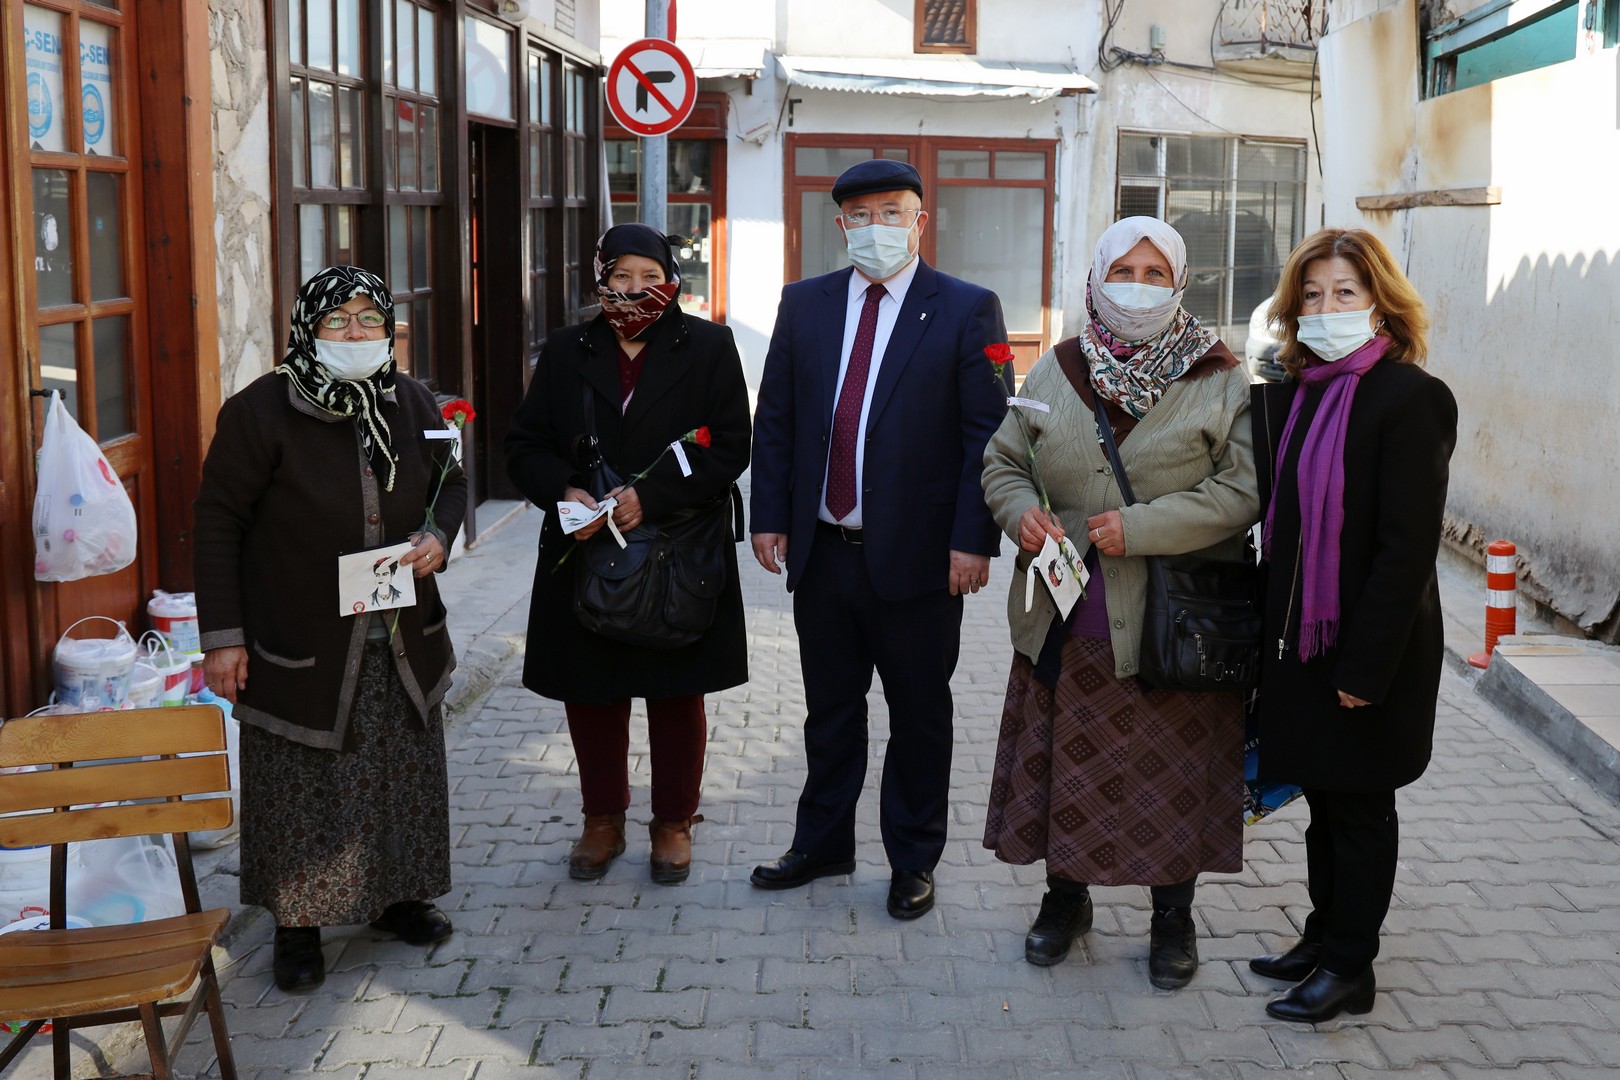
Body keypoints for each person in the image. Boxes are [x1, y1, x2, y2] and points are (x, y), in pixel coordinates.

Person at [981, 217, 1259, 987]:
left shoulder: (1218, 375)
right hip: (1067, 621)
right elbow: (1004, 461)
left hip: (1174, 626)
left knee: (1171, 771)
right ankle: (1065, 900)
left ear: (1179, 283)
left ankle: (1172, 916)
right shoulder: (1057, 369)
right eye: (1123, 270)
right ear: (1097, 276)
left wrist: (1139, 527)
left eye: (1153, 273)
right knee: (1064, 766)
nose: (1135, 287)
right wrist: (1020, 514)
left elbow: (1242, 492)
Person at [748, 159, 1009, 920]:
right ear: (840, 228)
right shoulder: (806, 305)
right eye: (859, 216)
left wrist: (974, 541)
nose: (875, 229)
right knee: (830, 712)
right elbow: (779, 423)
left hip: (922, 562)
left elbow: (986, 439)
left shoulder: (965, 308)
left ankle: (913, 860)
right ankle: (822, 843)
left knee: (919, 717)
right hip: (824, 551)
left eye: (891, 212)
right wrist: (769, 517)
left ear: (920, 220)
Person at [194, 265, 465, 994]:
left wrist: (440, 534)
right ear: (306, 328)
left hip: (401, 636)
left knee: (399, 772)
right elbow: (217, 523)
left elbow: (452, 479)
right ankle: (298, 928)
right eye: (336, 320)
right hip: (299, 642)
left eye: (368, 319)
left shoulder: (411, 400)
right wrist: (222, 636)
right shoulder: (261, 411)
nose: (354, 333)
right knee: (303, 784)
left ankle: (399, 899)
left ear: (388, 327)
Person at [1248, 227, 1457, 1022]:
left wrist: (1365, 671)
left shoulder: (1412, 398)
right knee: (1323, 801)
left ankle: (1350, 969)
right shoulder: (1300, 393)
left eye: (1345, 293)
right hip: (1303, 639)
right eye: (1311, 295)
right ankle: (1323, 934)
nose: (1326, 307)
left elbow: (1407, 551)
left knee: (1362, 807)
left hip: (1372, 648)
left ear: (1380, 303)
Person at [506, 223, 750, 886]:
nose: (635, 289)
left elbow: (731, 445)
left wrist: (654, 497)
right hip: (586, 547)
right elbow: (524, 445)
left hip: (677, 550)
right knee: (592, 693)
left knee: (676, 695)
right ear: (601, 275)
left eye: (650, 276)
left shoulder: (708, 346)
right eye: (622, 276)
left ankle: (673, 823)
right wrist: (569, 492)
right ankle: (601, 821)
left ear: (671, 278)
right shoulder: (566, 350)